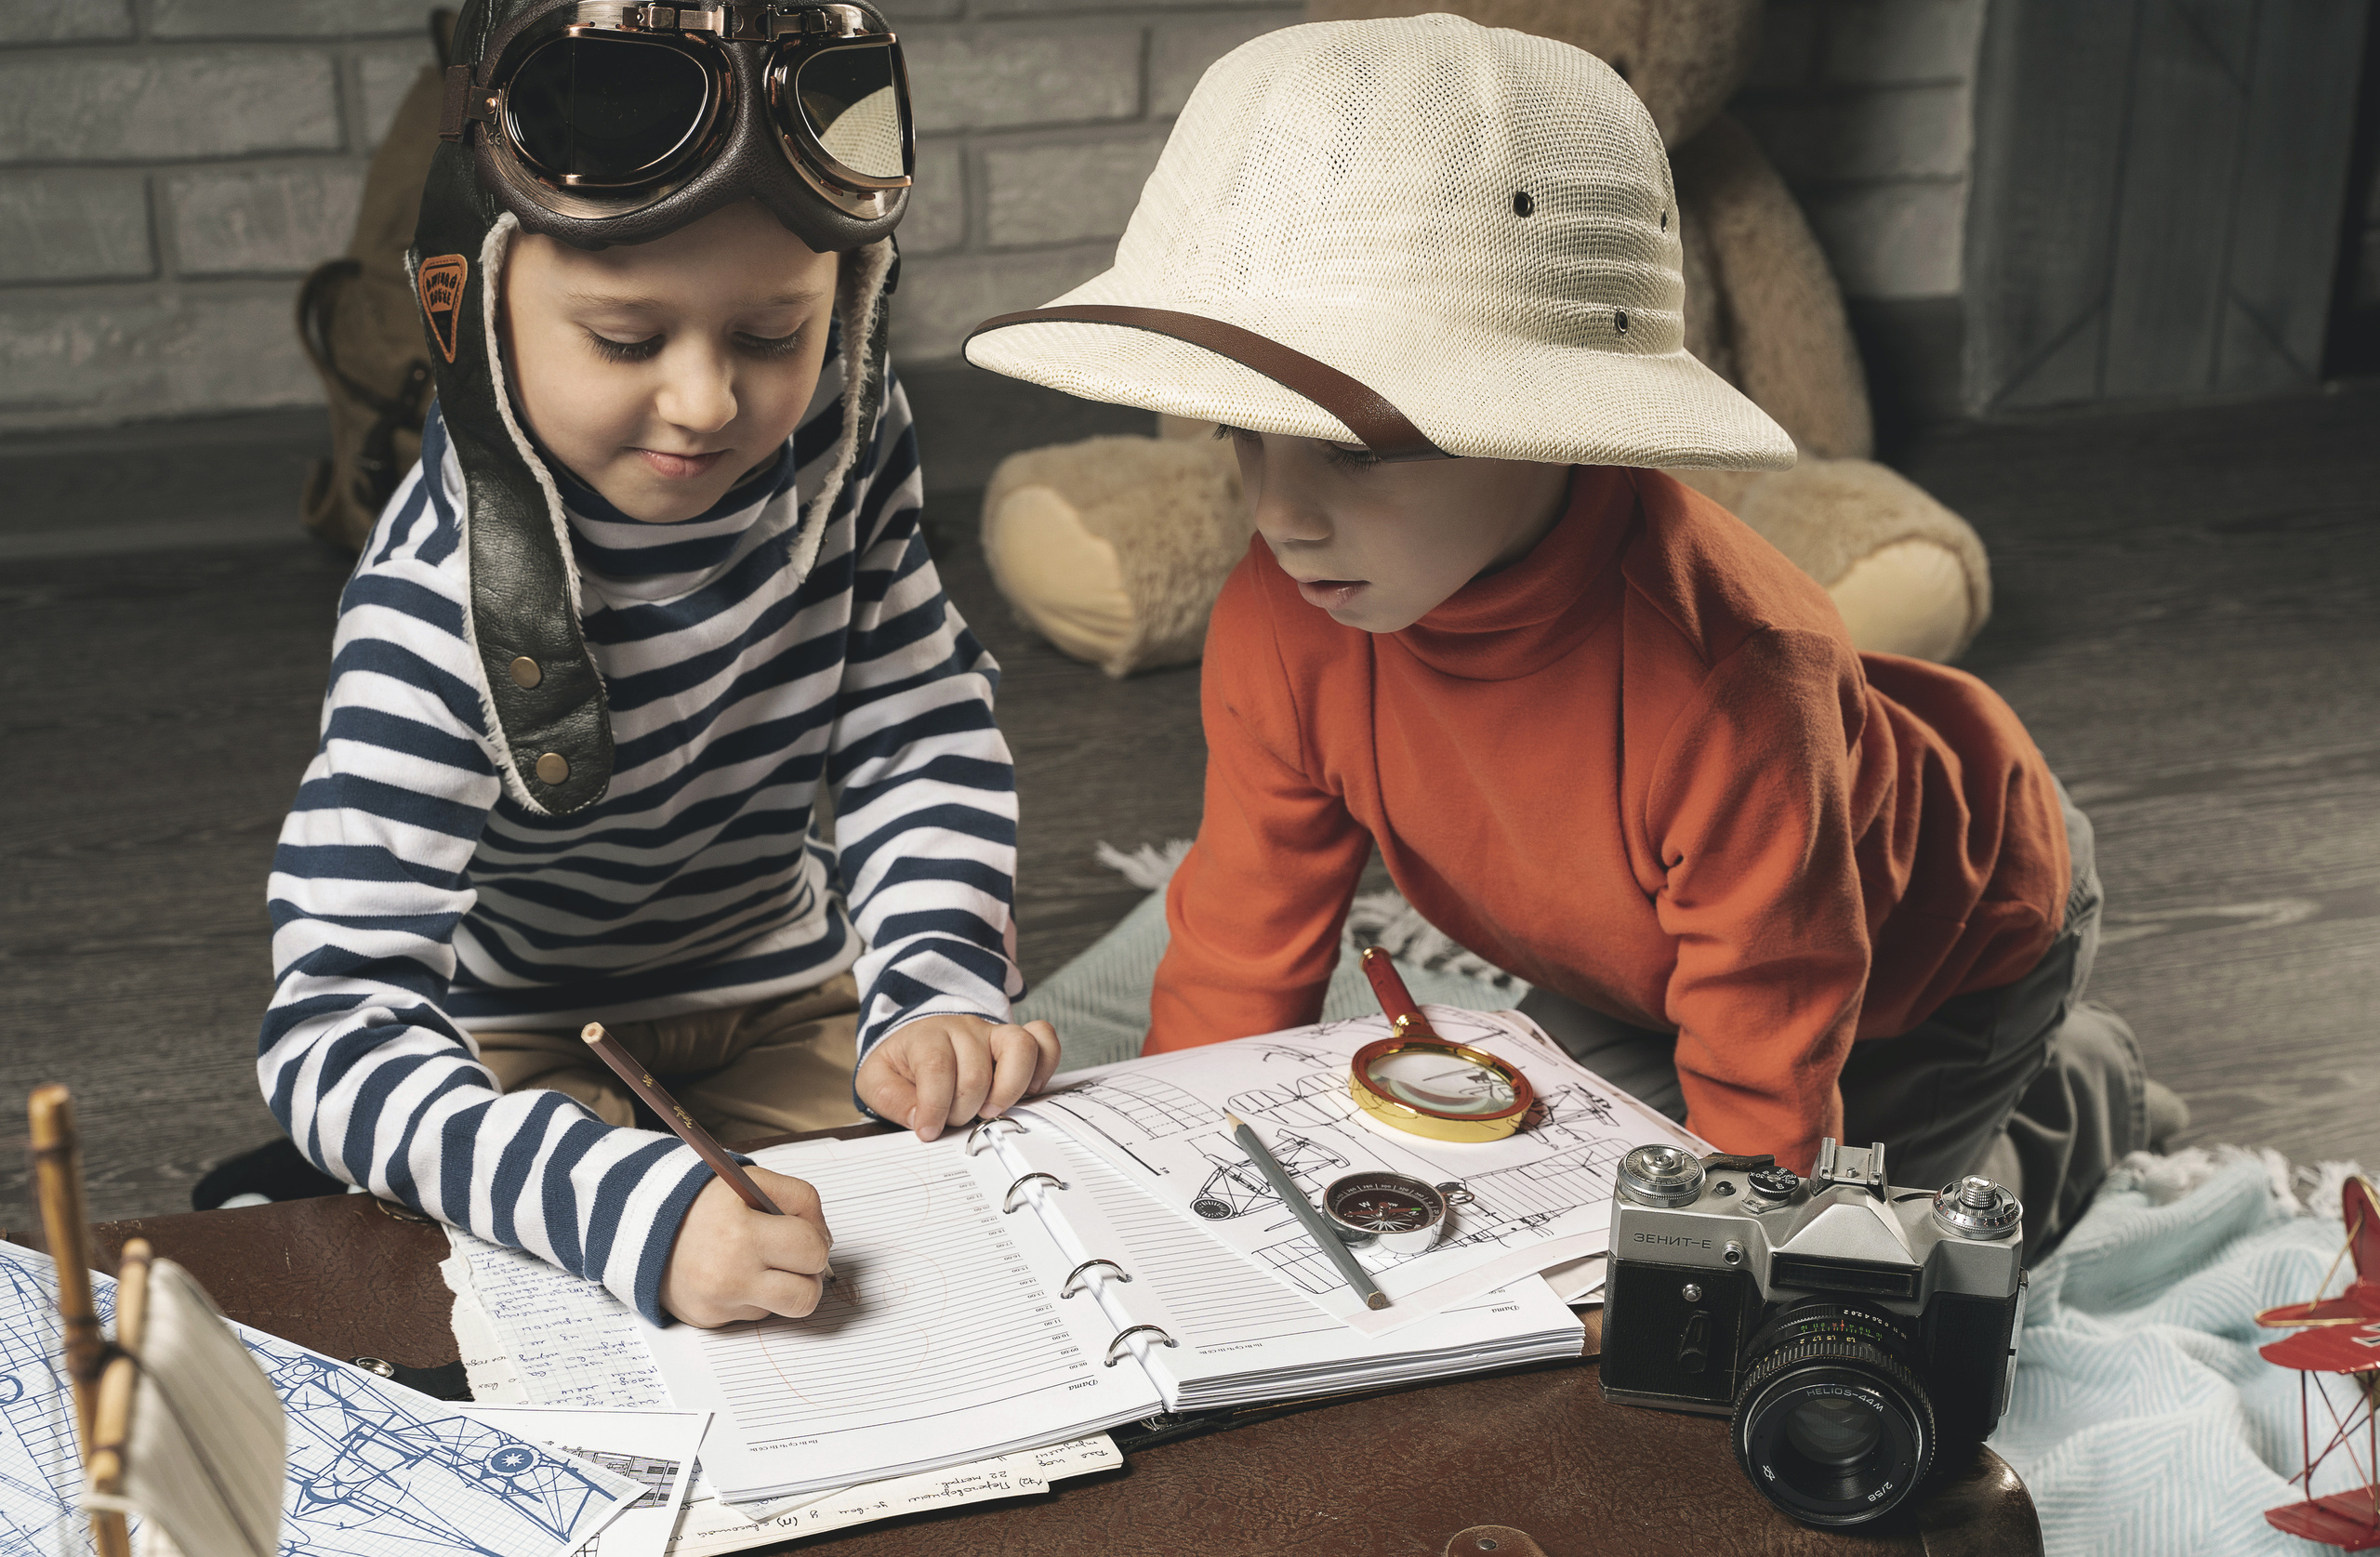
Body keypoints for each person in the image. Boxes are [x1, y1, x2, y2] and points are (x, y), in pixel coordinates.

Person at [964, 14, 2173, 1254]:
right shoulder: (1287, 610)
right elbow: (1238, 937)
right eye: (1243, 435)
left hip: (1932, 959)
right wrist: (1185, 1181)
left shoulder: (1731, 684)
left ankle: (2074, 1099)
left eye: (1359, 450)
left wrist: (1729, 1264)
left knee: (1851, 1259)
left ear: (1549, 419)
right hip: (1629, 953)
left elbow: (1770, 1072)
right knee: (1529, 1174)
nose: (1279, 515)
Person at [258, 0, 1058, 1329]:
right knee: (545, 1288)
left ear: (851, 310)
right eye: (626, 341)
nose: (706, 403)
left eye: (770, 335)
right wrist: (614, 1205)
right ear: (469, 303)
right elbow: (331, 1023)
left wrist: (935, 986)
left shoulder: (846, 439)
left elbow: (914, 724)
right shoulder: (432, 601)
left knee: (973, 1224)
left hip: (787, 986)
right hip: (526, 1037)